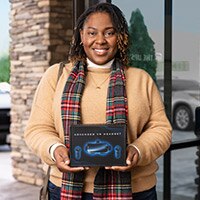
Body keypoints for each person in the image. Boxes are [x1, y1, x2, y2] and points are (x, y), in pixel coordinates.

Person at [24, 2, 172, 200]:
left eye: (109, 32)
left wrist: (137, 150)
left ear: (120, 37)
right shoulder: (56, 75)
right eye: (92, 33)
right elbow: (37, 128)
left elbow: (161, 129)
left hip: (136, 191)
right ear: (81, 36)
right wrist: (54, 149)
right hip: (65, 189)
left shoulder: (141, 79)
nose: (100, 40)